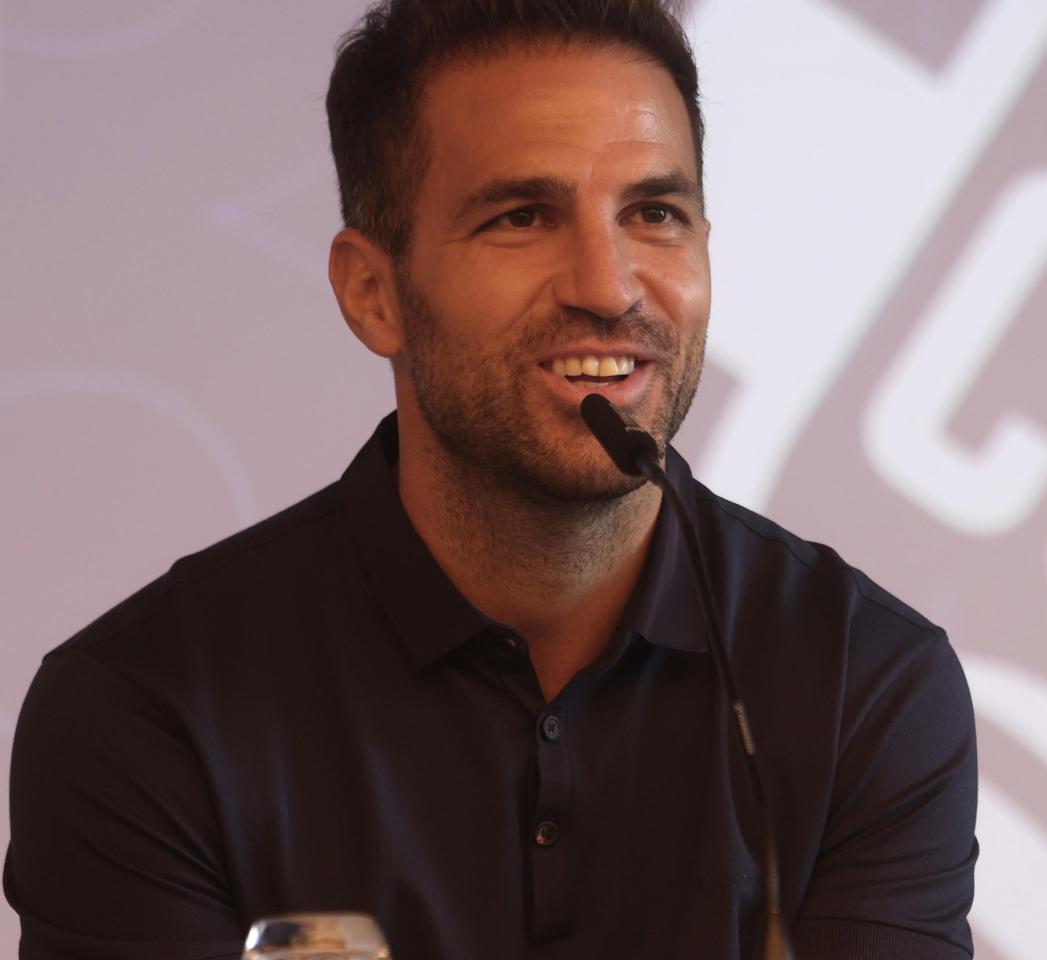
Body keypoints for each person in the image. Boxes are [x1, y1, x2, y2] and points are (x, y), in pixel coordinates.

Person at [3, 1, 978, 957]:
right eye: (522, 217)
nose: (608, 286)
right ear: (372, 292)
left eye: (654, 213)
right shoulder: (146, 709)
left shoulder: (865, 683)